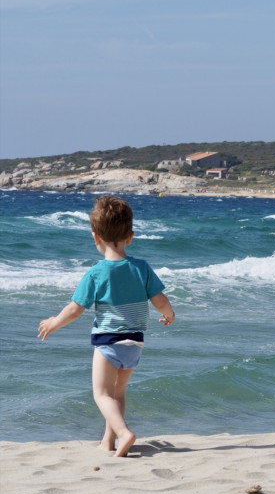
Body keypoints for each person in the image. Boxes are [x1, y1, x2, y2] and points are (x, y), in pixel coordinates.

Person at [38, 195, 175, 457]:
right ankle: (108, 441)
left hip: (108, 343)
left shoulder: (96, 273)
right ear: (130, 236)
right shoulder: (141, 268)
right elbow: (160, 300)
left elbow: (75, 309)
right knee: (117, 394)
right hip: (135, 343)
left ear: (95, 237)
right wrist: (170, 315)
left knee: (101, 395)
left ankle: (124, 433)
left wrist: (54, 323)